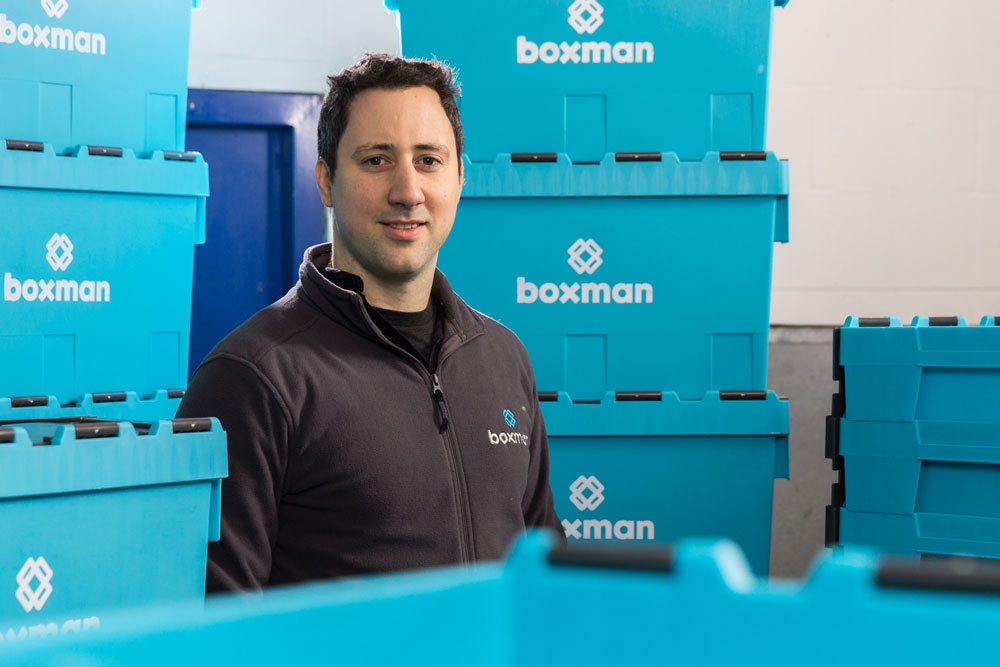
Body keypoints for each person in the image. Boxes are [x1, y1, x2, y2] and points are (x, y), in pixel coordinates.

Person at [177, 53, 562, 592]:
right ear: (327, 181)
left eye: (429, 160)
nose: (408, 191)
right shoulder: (253, 377)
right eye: (377, 160)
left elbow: (548, 570)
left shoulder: (501, 357)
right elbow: (213, 625)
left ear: (459, 179)